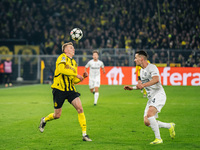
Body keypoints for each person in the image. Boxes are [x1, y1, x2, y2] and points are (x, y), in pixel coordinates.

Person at [39, 42, 92, 141]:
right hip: (59, 89)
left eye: (73, 48)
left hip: (70, 89)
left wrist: (82, 78)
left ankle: (84, 134)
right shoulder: (62, 57)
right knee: (57, 115)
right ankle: (44, 119)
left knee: (80, 109)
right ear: (65, 50)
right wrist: (76, 75)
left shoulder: (74, 63)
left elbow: (73, 80)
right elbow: (62, 70)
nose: (73, 49)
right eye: (71, 48)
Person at [124, 50, 175, 144]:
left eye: (136, 58)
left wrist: (143, 85)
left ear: (141, 59)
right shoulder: (142, 71)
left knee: (150, 113)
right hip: (151, 98)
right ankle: (169, 126)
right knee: (147, 122)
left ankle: (158, 139)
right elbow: (142, 84)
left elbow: (156, 80)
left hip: (159, 94)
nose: (134, 60)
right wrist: (132, 88)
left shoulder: (152, 67)